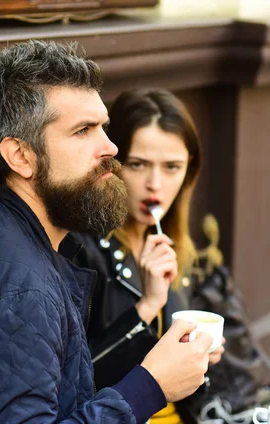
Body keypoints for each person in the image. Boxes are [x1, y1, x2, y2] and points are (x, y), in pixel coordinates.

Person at [0, 41, 214, 423]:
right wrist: (151, 385)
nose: (109, 147)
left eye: (103, 127)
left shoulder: (7, 240)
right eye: (83, 131)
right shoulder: (22, 284)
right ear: (21, 156)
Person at [74, 89, 223, 424]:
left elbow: (192, 393)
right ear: (112, 165)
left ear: (189, 172)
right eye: (139, 165)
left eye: (172, 167)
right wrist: (148, 304)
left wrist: (200, 361)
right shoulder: (84, 252)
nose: (155, 184)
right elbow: (79, 384)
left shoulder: (179, 249)